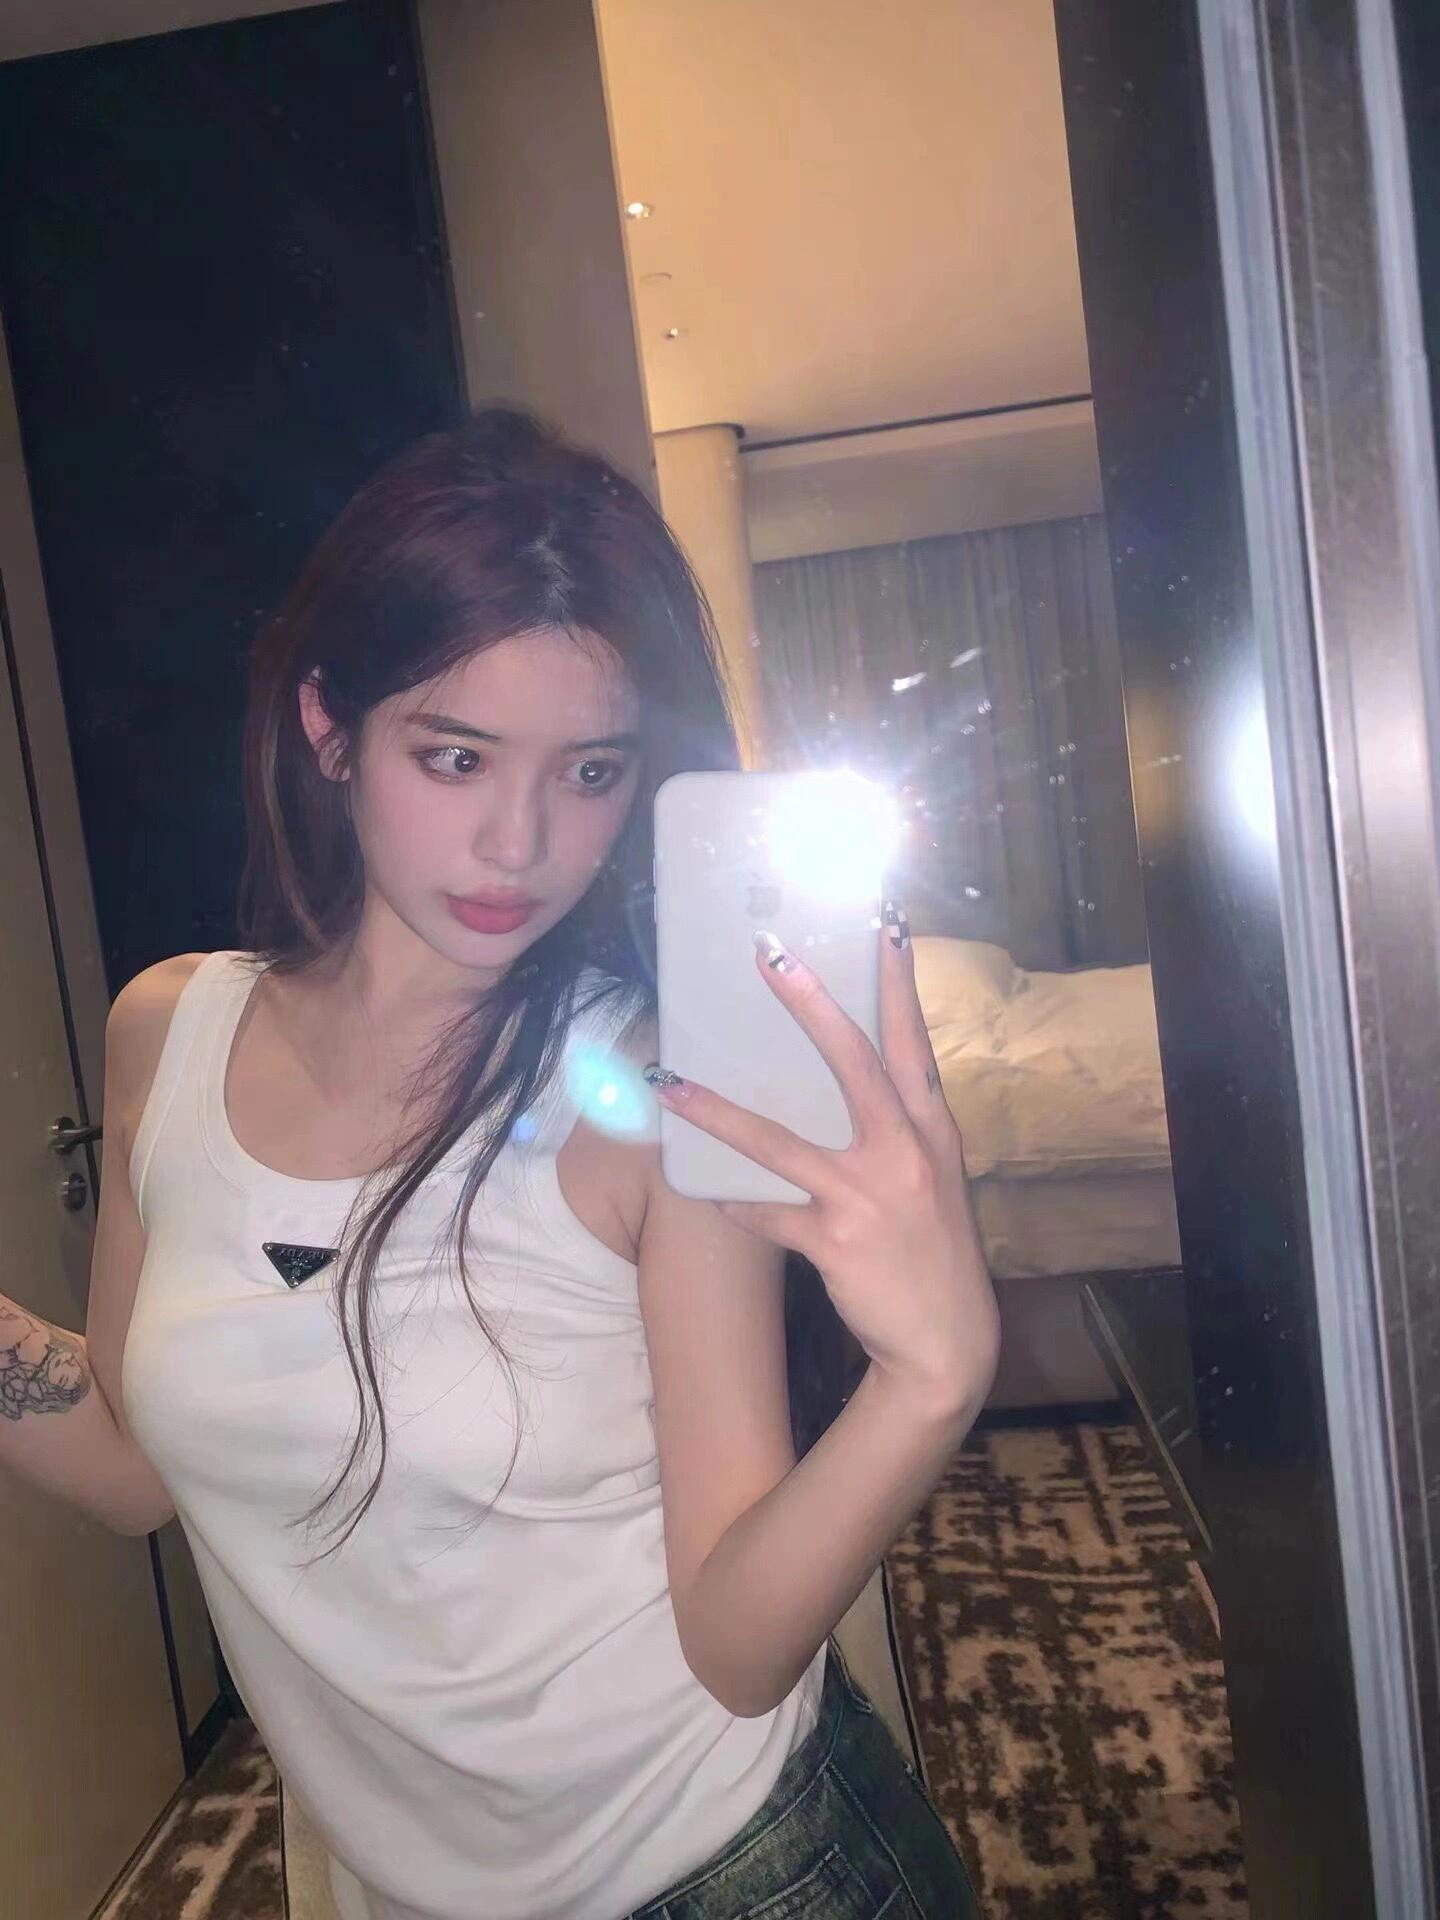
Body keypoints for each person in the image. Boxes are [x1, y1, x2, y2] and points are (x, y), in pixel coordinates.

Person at [0, 409, 999, 1919]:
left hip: (738, 1877)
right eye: (455, 756)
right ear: (329, 729)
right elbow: (143, 1470)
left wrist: (932, 1375)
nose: (519, 843)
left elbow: (737, 1648)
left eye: (590, 772)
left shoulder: (654, 1097)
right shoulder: (167, 1032)